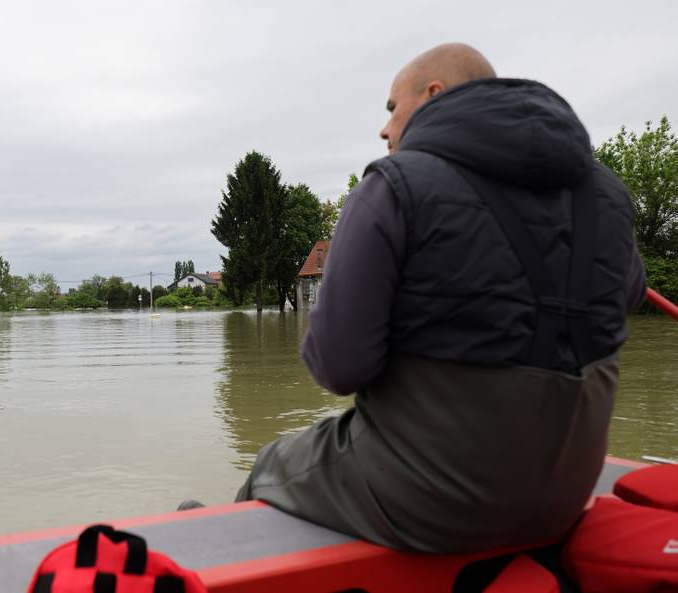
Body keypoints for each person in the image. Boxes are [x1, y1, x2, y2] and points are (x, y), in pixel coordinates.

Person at [235, 43, 647, 553]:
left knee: (271, 465)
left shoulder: (393, 186)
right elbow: (627, 297)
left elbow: (337, 368)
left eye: (392, 108)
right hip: (566, 493)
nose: (384, 129)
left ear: (433, 94)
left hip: (434, 501)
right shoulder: (607, 193)